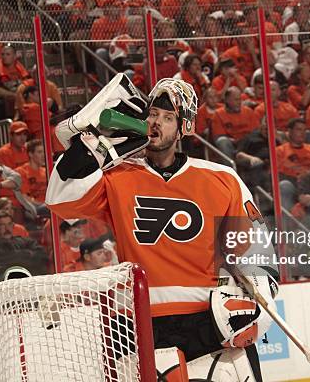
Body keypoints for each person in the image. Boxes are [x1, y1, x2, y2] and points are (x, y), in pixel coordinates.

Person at [47, 74, 278, 380]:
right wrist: (95, 143)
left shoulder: (222, 178)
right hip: (139, 321)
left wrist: (255, 308)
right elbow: (59, 197)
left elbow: (256, 251)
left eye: (168, 117)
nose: (156, 123)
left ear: (184, 127)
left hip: (208, 317)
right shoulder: (116, 176)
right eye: (152, 114)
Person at [15, 139, 49, 218]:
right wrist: (43, 204)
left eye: (44, 152)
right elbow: (24, 198)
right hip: (32, 208)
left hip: (47, 206)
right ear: (30, 154)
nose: (43, 155)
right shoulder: (21, 171)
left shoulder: (46, 171)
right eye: (39, 152)